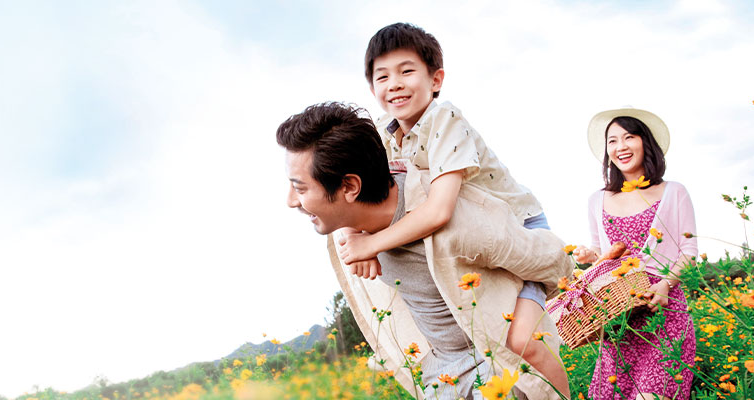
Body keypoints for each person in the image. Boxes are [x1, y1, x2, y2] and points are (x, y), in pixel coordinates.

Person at [334, 22, 572, 397]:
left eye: (407, 71)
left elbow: (439, 210)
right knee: (483, 332)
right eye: (382, 76)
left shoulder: (445, 120)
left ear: (436, 79)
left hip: (518, 228)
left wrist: (371, 243)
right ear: (373, 88)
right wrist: (351, 233)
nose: (394, 83)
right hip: (474, 235)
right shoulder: (380, 133)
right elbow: (352, 187)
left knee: (523, 341)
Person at [278, 102, 569, 400]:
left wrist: (520, 333)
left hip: (493, 366)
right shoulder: (350, 220)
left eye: (300, 189)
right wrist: (353, 230)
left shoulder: (459, 223)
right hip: (440, 375)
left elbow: (553, 258)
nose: (290, 200)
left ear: (350, 187)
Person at [570, 108, 698, 400]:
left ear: (646, 142)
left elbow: (689, 252)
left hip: (664, 312)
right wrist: (591, 255)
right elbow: (604, 255)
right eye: (612, 141)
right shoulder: (597, 200)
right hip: (620, 321)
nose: (620, 147)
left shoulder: (673, 192)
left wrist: (665, 285)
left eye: (629, 137)